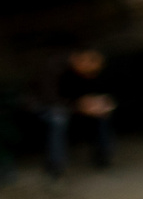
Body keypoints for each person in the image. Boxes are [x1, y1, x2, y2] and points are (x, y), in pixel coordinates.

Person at [36, 46, 116, 177]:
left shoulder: (86, 70)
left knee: (102, 113)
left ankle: (103, 156)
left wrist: (100, 102)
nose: (92, 74)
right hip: (45, 105)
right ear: (81, 60)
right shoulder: (53, 68)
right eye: (90, 70)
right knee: (58, 118)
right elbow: (49, 99)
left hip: (75, 104)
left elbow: (97, 90)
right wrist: (78, 106)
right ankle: (56, 165)